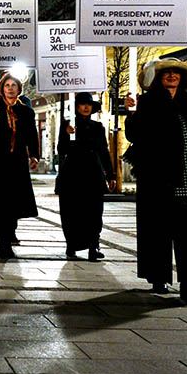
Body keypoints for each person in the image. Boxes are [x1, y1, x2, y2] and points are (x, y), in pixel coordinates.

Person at [124, 58, 187, 303]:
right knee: (157, 228)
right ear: (159, 79)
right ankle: (158, 277)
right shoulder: (148, 102)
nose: (172, 76)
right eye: (166, 73)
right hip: (156, 176)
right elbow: (134, 134)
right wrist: (131, 112)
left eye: (176, 73)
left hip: (185, 175)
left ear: (182, 79)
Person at [0, 72, 39, 260]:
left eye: (14, 85)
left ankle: (7, 233)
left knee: (13, 203)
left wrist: (34, 155)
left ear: (19, 89)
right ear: (2, 89)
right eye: (7, 85)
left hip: (17, 163)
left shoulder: (26, 112)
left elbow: (32, 134)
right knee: (0, 203)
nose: (10, 88)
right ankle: (3, 243)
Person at [56, 93, 114, 261]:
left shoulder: (98, 127)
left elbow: (103, 151)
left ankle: (93, 246)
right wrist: (67, 134)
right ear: (76, 107)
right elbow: (61, 149)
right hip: (72, 174)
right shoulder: (68, 125)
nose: (86, 107)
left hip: (92, 173)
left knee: (94, 211)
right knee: (71, 211)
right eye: (82, 104)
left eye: (88, 104)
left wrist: (110, 174)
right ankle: (72, 245)